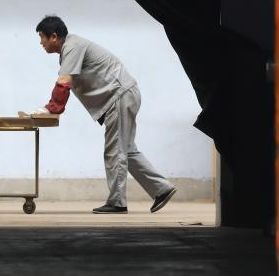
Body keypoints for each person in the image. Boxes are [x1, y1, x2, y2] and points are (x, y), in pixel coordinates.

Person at [30, 15, 178, 214]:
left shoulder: (72, 46)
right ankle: (162, 189)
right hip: (124, 95)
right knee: (126, 150)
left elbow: (64, 82)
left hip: (119, 96)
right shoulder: (71, 47)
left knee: (114, 151)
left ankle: (117, 202)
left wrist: (51, 108)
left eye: (42, 37)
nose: (41, 42)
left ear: (54, 36)